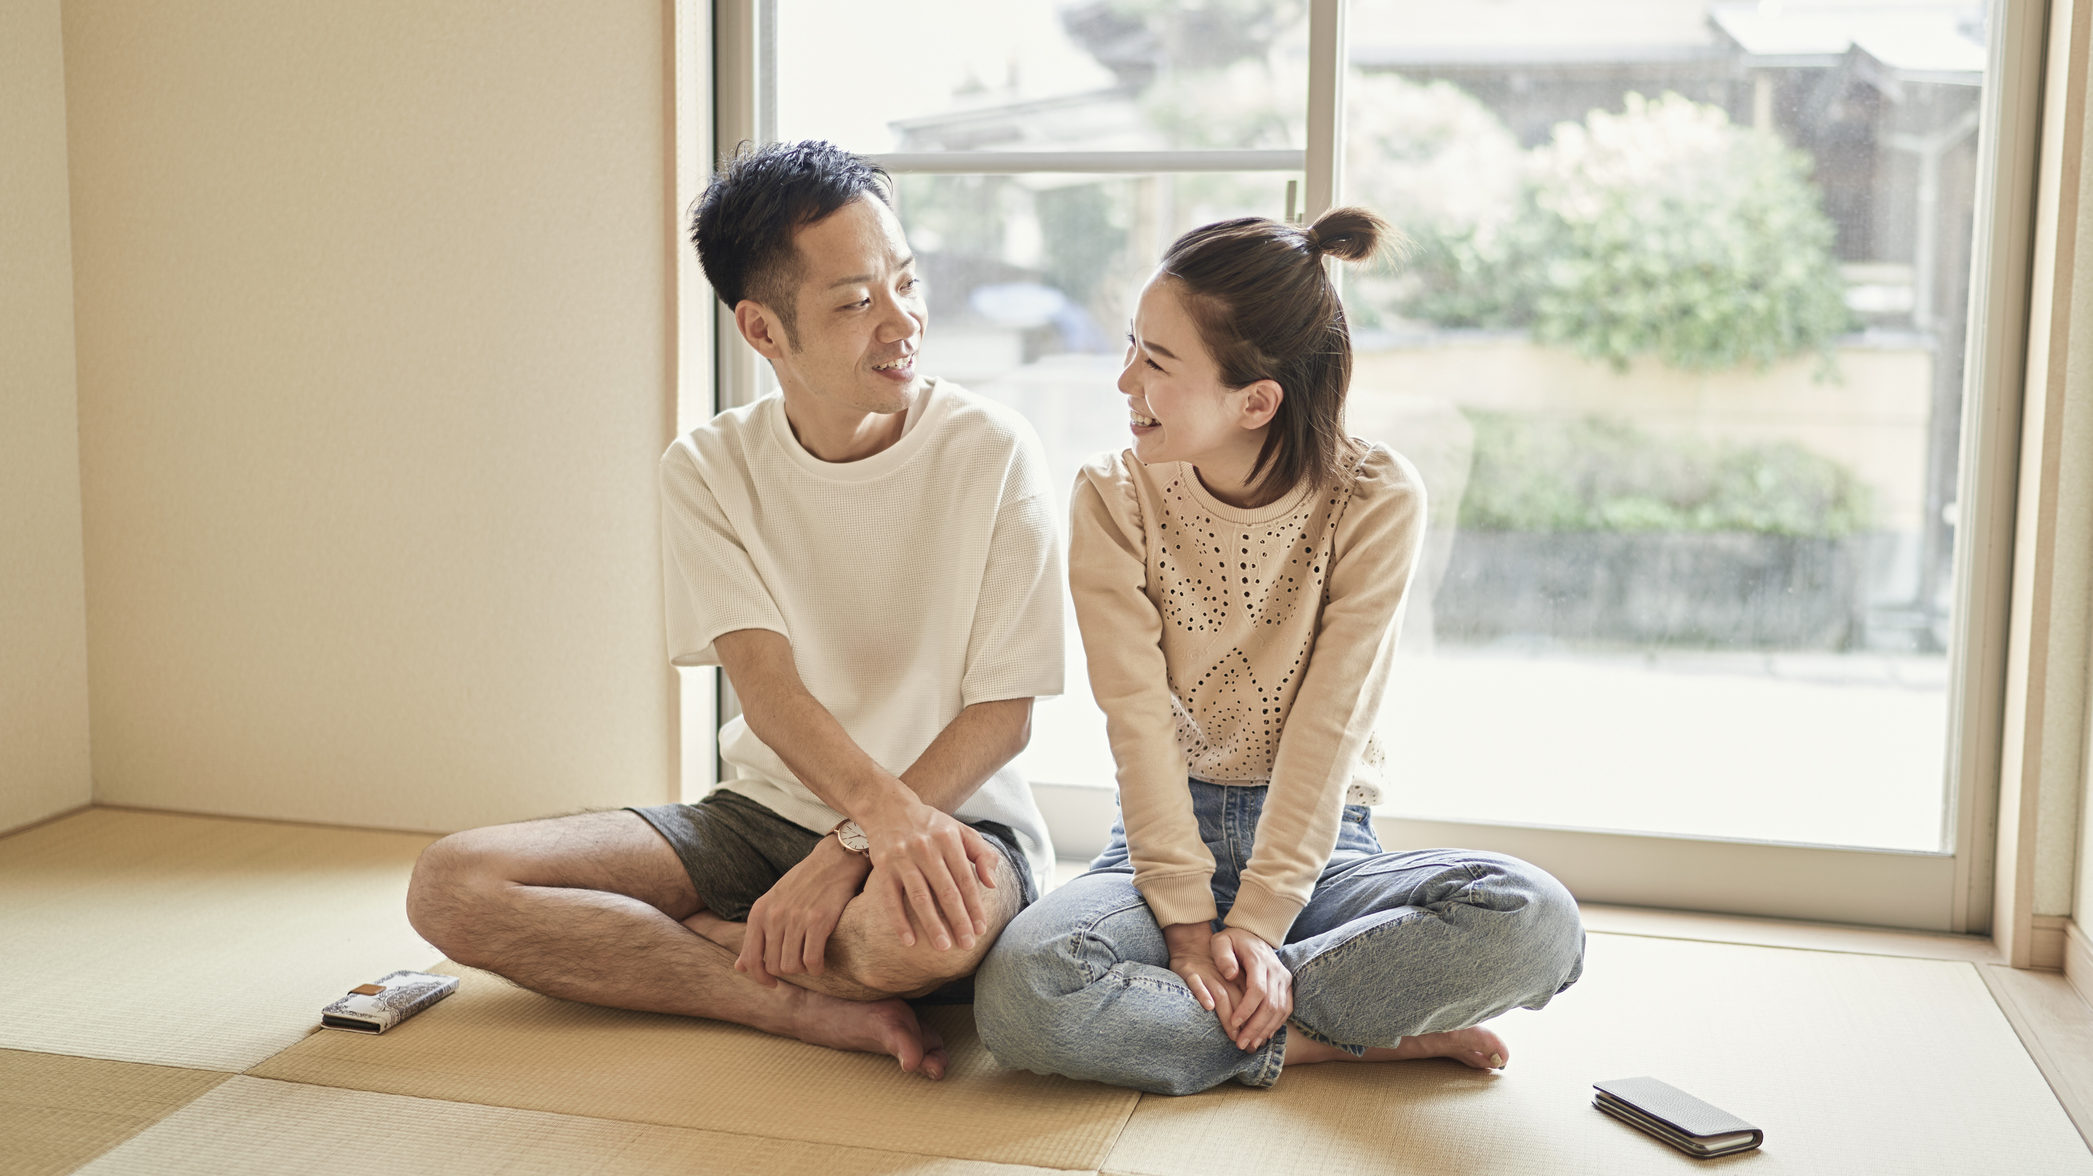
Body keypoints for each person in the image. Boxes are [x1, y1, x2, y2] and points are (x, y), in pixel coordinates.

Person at [406, 141, 1065, 1080]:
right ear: (763, 331)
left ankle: (705, 944)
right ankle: (781, 999)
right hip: (759, 815)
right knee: (452, 886)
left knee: (917, 943)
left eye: (905, 282)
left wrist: (852, 847)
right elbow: (768, 691)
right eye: (854, 302)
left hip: (954, 819)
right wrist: (842, 836)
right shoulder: (708, 469)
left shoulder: (993, 450)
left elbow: (1004, 715)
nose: (902, 322)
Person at [973, 207, 1585, 1095]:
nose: (1122, 381)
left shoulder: (1375, 496)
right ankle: (1336, 1037)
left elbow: (1329, 727)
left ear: (1256, 400)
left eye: (1155, 361)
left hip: (1323, 851)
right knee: (1022, 995)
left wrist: (1258, 925)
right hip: (1158, 844)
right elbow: (1134, 720)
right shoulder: (1111, 496)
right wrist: (1186, 923)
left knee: (1535, 921)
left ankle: (1234, 1013)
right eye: (1130, 347)